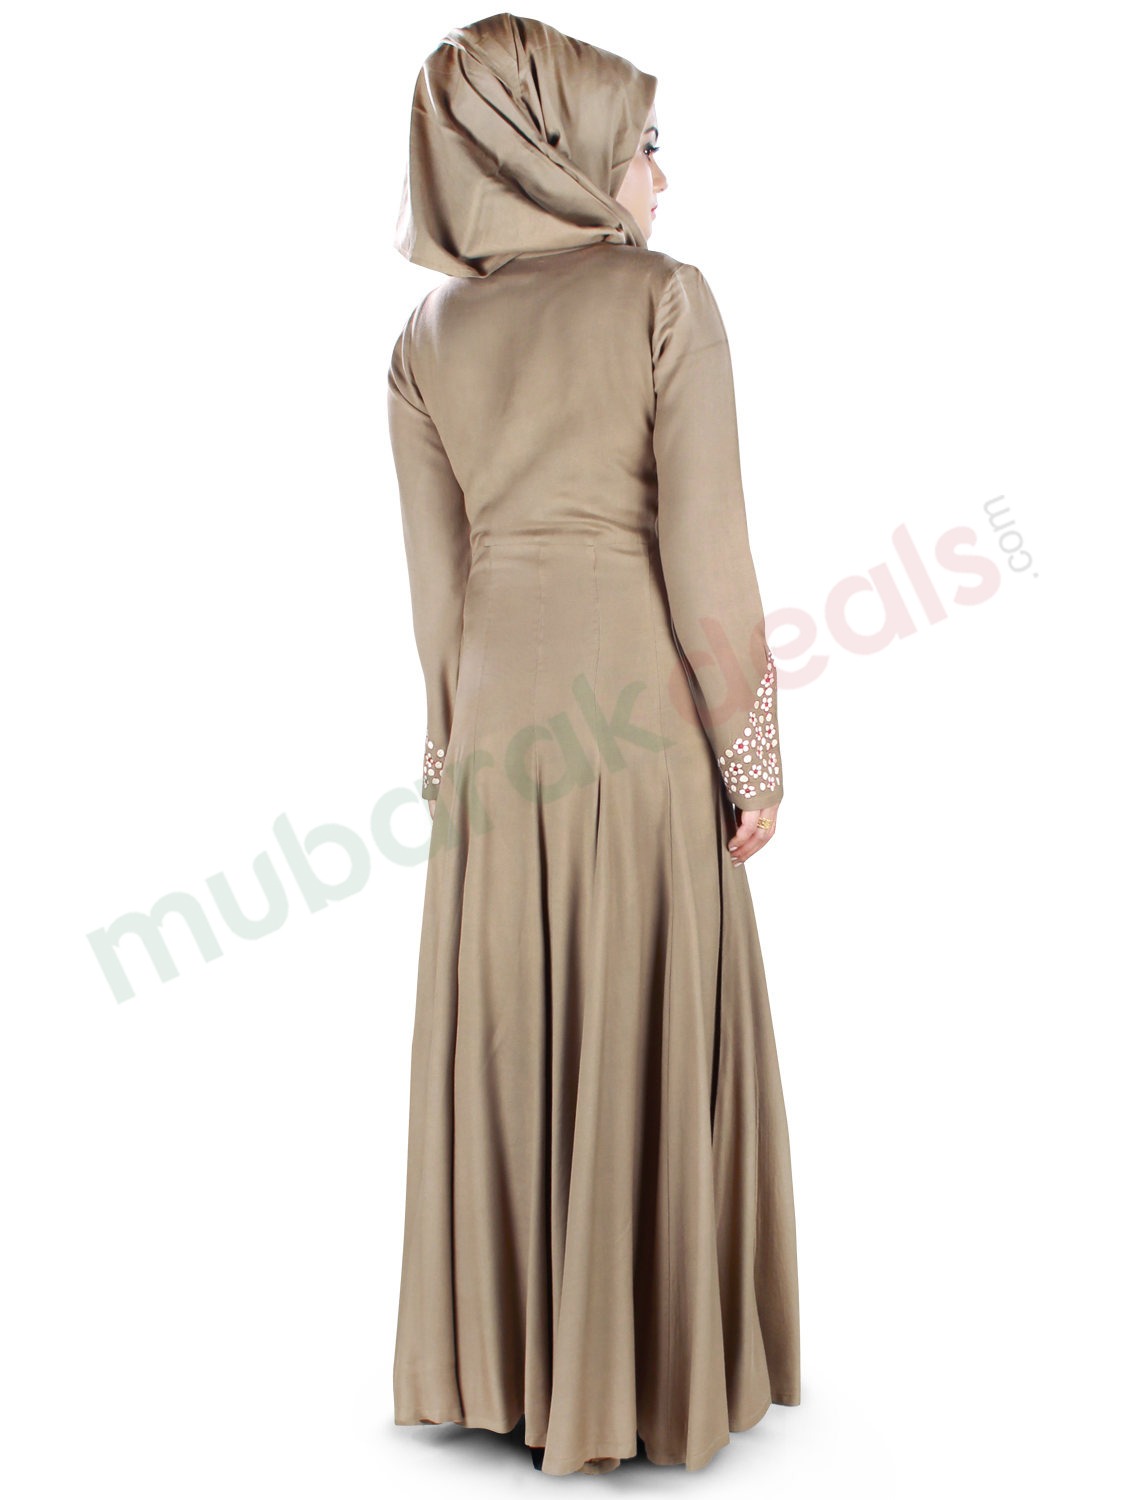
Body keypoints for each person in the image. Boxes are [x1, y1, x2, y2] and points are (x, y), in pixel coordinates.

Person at [386, 12, 800, 1477]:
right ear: (560, 151)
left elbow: (437, 590)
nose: (660, 180)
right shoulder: (664, 300)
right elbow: (708, 558)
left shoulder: (426, 338)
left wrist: (448, 755)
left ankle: (508, 1366)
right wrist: (752, 752)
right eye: (646, 146)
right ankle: (648, 1364)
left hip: (500, 730)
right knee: (643, 999)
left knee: (508, 1016)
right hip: (637, 721)